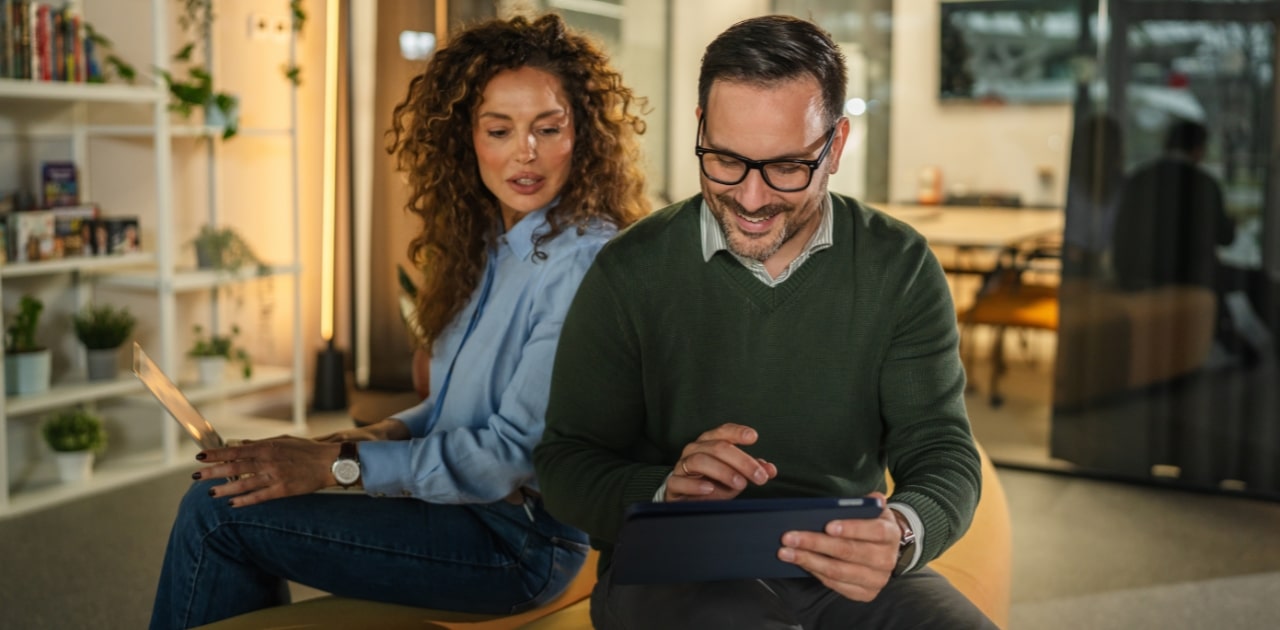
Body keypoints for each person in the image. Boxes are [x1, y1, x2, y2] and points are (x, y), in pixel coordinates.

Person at [149, 13, 649, 629]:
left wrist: (340, 467)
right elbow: (449, 411)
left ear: (584, 135)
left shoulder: (579, 264)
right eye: (500, 129)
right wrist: (348, 443)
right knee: (236, 493)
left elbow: (508, 456)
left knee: (217, 514)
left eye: (548, 128)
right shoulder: (492, 242)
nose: (526, 153)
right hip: (460, 509)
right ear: (466, 136)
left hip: (515, 543)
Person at [534, 15, 994, 629]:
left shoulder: (900, 266)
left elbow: (942, 452)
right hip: (675, 568)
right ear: (700, 128)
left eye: (786, 168)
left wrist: (900, 533)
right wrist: (666, 488)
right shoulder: (630, 271)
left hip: (842, 570)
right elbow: (566, 464)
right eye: (725, 161)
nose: (751, 199)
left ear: (835, 145)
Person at [1111, 118, 1235, 292]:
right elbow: (1225, 237)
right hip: (1192, 283)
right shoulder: (1205, 184)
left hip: (1138, 279)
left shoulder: (1138, 179)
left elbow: (1120, 232)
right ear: (1198, 149)